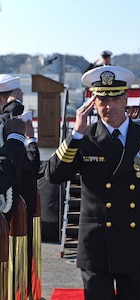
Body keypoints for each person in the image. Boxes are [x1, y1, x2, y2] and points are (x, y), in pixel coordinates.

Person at [45, 65, 140, 300]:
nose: (109, 106)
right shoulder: (83, 139)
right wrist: (74, 135)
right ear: (93, 103)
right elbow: (53, 175)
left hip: (134, 245)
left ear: (126, 99)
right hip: (96, 246)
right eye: (102, 99)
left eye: (115, 98)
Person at [0, 74, 40, 298]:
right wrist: (27, 138)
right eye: (17, 98)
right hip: (11, 219)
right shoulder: (8, 133)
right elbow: (31, 162)